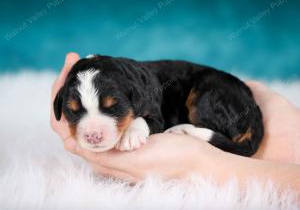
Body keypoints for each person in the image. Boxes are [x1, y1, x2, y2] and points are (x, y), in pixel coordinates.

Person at [51, 53, 300, 192]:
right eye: (75, 113)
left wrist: (139, 126)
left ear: (133, 98)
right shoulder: (120, 84)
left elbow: (154, 119)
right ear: (61, 105)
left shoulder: (136, 88)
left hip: (216, 89)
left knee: (203, 97)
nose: (92, 131)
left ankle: (216, 137)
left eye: (112, 108)